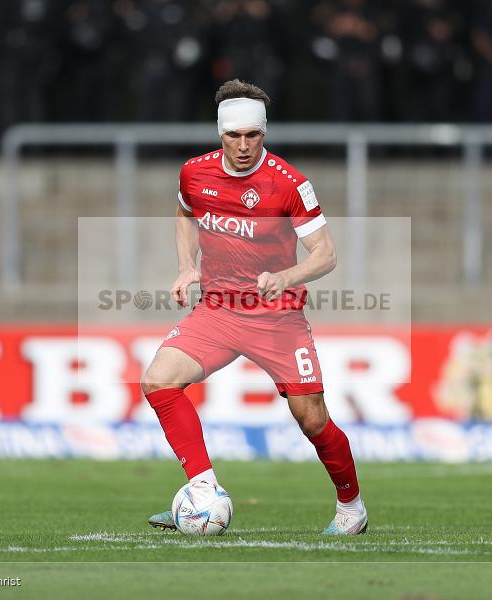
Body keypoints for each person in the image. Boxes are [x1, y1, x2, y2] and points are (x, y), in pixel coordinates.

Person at [141, 79, 368, 535]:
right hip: (219, 310)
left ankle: (352, 508)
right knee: (157, 381)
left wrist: (286, 277)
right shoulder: (194, 173)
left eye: (253, 136)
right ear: (220, 134)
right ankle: (203, 492)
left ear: (264, 133)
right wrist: (188, 266)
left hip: (277, 318)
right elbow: (185, 213)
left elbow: (326, 254)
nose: (243, 146)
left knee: (312, 418)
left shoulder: (290, 185)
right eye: (233, 136)